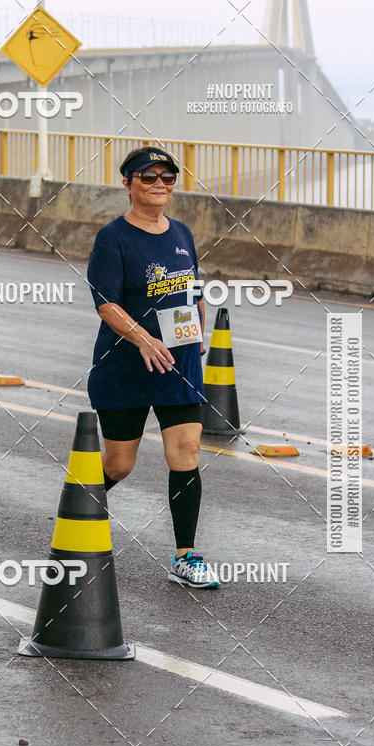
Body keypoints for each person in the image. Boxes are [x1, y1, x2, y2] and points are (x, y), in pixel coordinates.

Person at [86, 146, 218, 588]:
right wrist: (143, 339)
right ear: (127, 184)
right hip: (126, 365)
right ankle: (76, 512)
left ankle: (186, 557)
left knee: (187, 453)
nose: (160, 184)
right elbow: (105, 302)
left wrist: (198, 331)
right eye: (148, 177)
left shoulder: (181, 231)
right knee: (120, 465)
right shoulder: (114, 237)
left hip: (178, 365)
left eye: (167, 177)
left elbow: (193, 288)